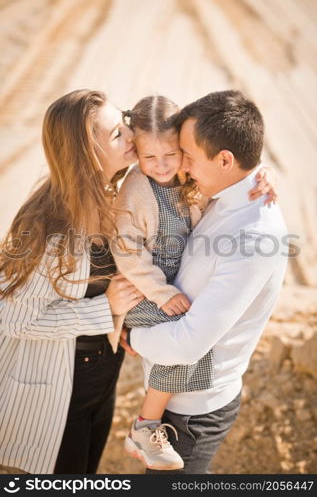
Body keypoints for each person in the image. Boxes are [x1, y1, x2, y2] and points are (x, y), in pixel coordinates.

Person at [120, 90, 288, 474]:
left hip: (193, 408)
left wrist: (130, 336)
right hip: (178, 394)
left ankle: (144, 427)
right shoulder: (226, 195)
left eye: (187, 157)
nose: (183, 167)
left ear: (225, 159)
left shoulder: (253, 234)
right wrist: (261, 170)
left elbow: (187, 343)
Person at [0, 89, 143, 474]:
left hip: (104, 372)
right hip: (62, 385)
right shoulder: (49, 226)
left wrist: (254, 177)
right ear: (88, 155)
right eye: (117, 135)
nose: (131, 136)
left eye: (125, 122)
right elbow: (14, 318)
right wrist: (105, 309)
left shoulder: (112, 192)